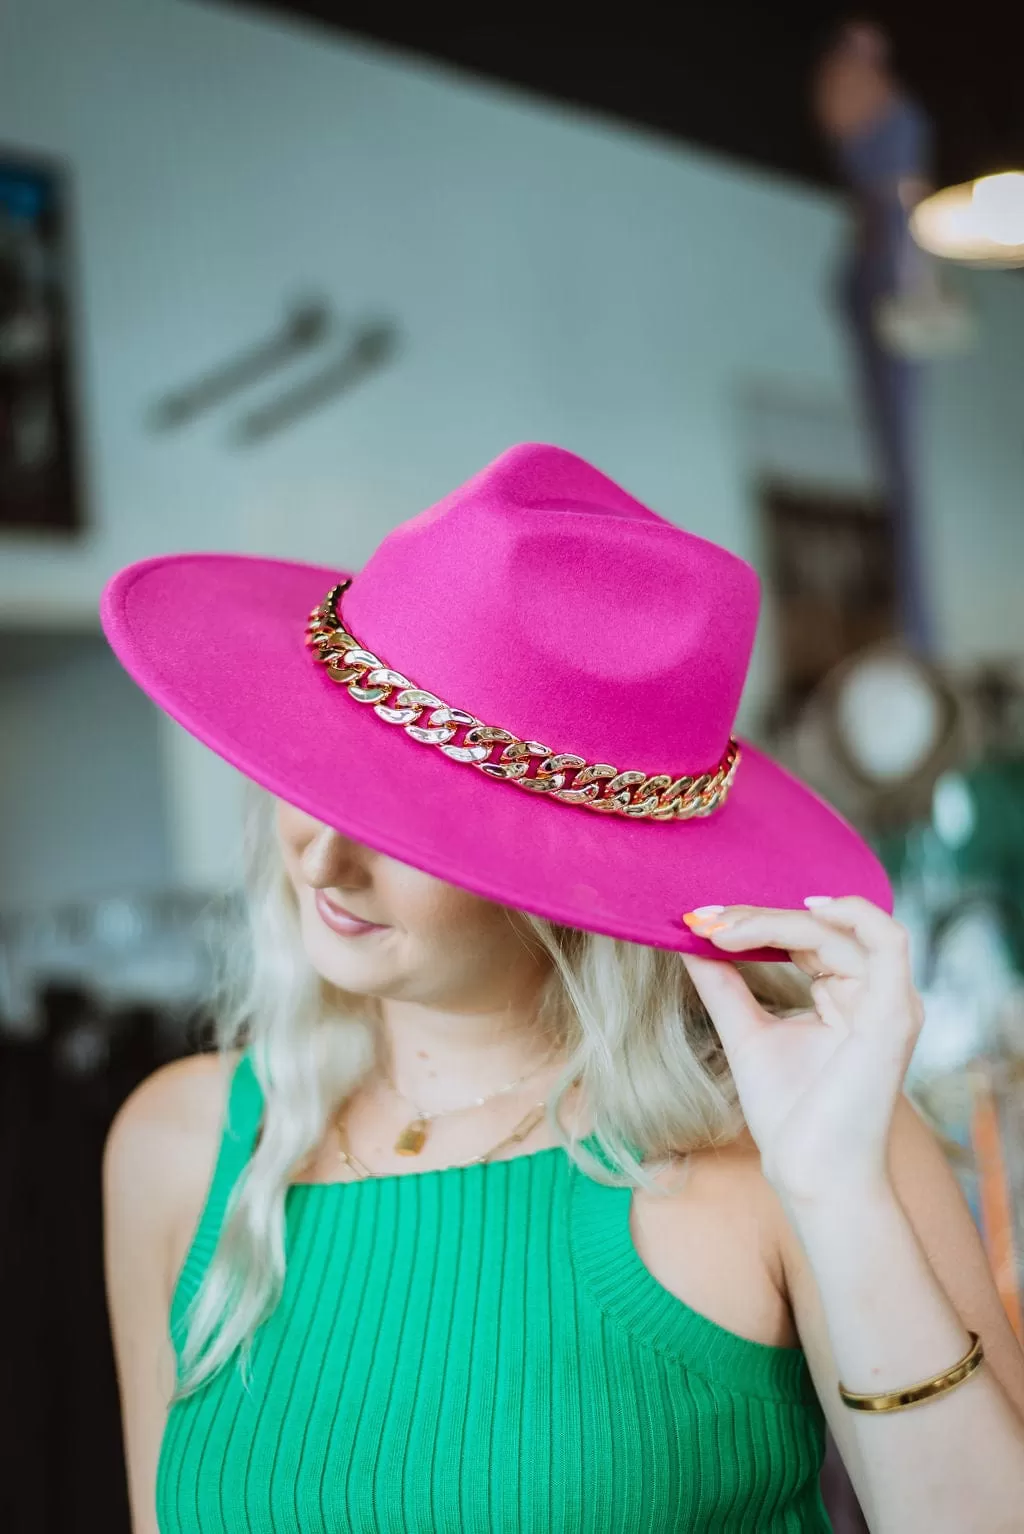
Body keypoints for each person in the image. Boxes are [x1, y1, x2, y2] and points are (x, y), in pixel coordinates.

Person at [100, 444, 1024, 1533]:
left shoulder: (789, 1144)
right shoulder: (183, 1145)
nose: (322, 859)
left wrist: (837, 1193)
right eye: (327, 768)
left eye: (407, 821)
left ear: (566, 868)